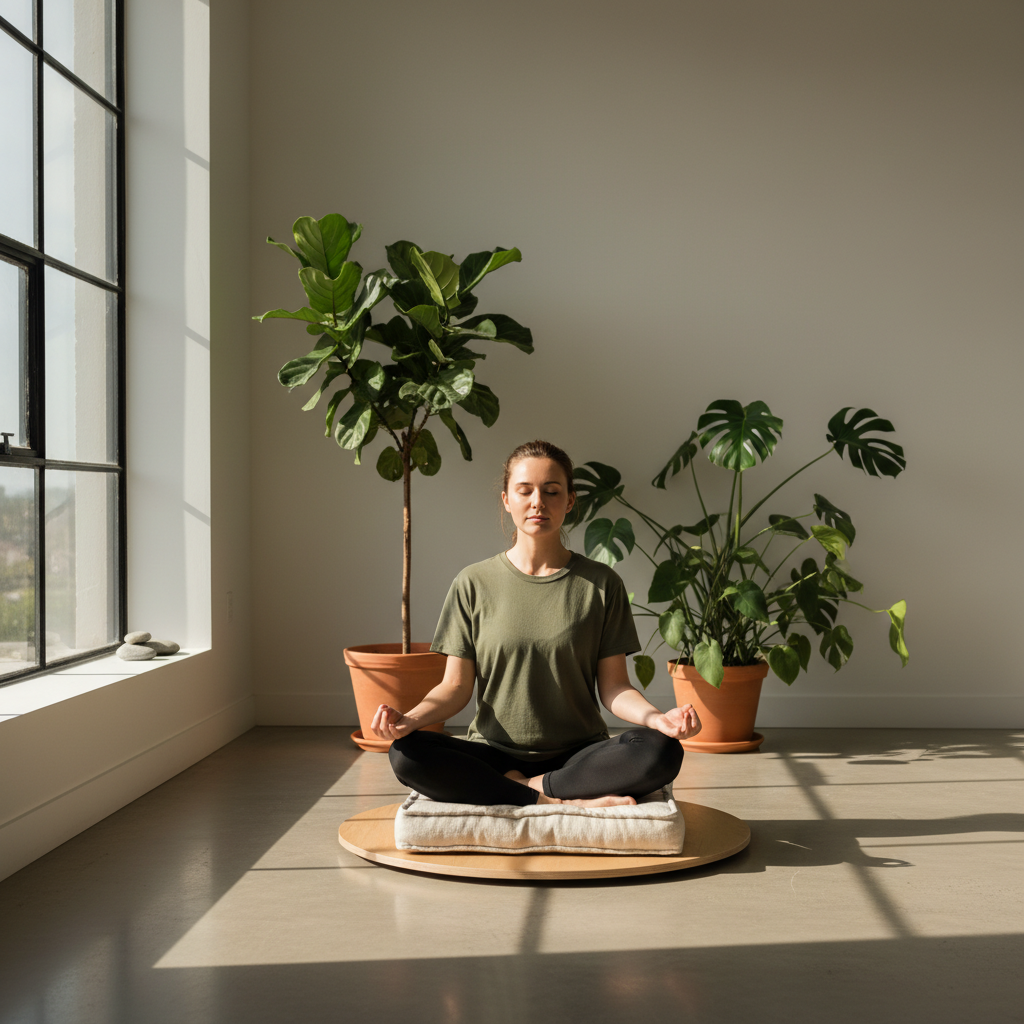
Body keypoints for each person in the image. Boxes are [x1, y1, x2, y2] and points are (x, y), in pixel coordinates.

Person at [371, 440, 703, 808]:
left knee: (661, 751)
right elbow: (454, 688)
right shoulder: (473, 583)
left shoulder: (601, 584)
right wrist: (409, 718)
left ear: (570, 500)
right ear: (506, 500)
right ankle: (559, 801)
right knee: (407, 752)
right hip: (493, 752)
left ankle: (522, 788)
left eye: (552, 491)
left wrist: (659, 720)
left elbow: (615, 688)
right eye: (524, 490)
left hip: (579, 755)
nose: (537, 502)